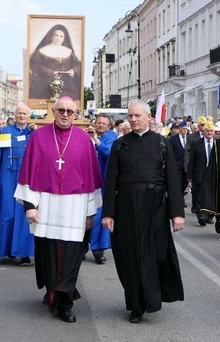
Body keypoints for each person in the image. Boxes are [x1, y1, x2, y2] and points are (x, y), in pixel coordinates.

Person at [14, 96, 103, 323]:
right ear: (54, 111)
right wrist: (30, 206)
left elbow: (92, 178)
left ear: (76, 114)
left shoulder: (84, 140)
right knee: (48, 253)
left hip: (75, 205)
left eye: (69, 111)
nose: (65, 114)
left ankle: (65, 301)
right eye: (61, 110)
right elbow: (29, 172)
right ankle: (52, 290)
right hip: (46, 203)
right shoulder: (39, 137)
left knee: (72, 254)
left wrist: (90, 213)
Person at [101, 100, 185, 323]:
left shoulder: (162, 143)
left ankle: (153, 297)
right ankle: (136, 305)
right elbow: (110, 181)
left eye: (137, 115)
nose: (133, 119)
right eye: (130, 116)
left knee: (155, 253)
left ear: (149, 117)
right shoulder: (120, 145)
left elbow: (173, 181)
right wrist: (108, 213)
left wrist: (177, 213)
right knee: (130, 255)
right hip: (126, 207)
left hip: (155, 205)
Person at [0, 105, 36, 265]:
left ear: (29, 116)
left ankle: (24, 253)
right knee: (7, 214)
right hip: (8, 177)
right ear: (15, 115)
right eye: (19, 113)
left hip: (27, 178)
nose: (22, 116)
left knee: (24, 215)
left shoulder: (34, 133)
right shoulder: (4, 131)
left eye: (25, 113)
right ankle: (7, 248)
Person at [82, 113, 117, 264]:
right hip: (85, 182)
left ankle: (98, 250)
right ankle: (81, 248)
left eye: (104, 123)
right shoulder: (86, 136)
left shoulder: (112, 137)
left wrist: (95, 139)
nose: (101, 125)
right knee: (82, 214)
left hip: (102, 183)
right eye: (99, 123)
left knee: (99, 216)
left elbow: (108, 152)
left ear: (109, 126)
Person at [29, 24, 81, 100]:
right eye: (56, 35)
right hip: (47, 84)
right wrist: (50, 72)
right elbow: (34, 65)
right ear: (51, 37)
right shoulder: (41, 51)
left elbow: (78, 64)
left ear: (64, 39)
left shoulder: (68, 52)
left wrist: (73, 70)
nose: (58, 38)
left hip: (67, 85)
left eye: (61, 36)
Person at [187, 121, 215, 226]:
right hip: (199, 173)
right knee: (199, 195)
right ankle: (201, 216)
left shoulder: (218, 142)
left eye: (211, 131)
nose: (209, 133)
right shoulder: (196, 143)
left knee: (211, 195)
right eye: (207, 131)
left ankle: (209, 215)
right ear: (203, 132)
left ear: (214, 132)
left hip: (213, 174)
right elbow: (192, 160)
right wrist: (189, 176)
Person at [169, 121, 189, 205]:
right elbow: (170, 152)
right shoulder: (173, 139)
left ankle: (181, 195)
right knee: (178, 183)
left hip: (187, 165)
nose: (185, 131)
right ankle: (180, 198)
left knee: (185, 183)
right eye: (183, 129)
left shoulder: (189, 139)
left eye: (186, 129)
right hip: (177, 165)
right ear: (179, 129)